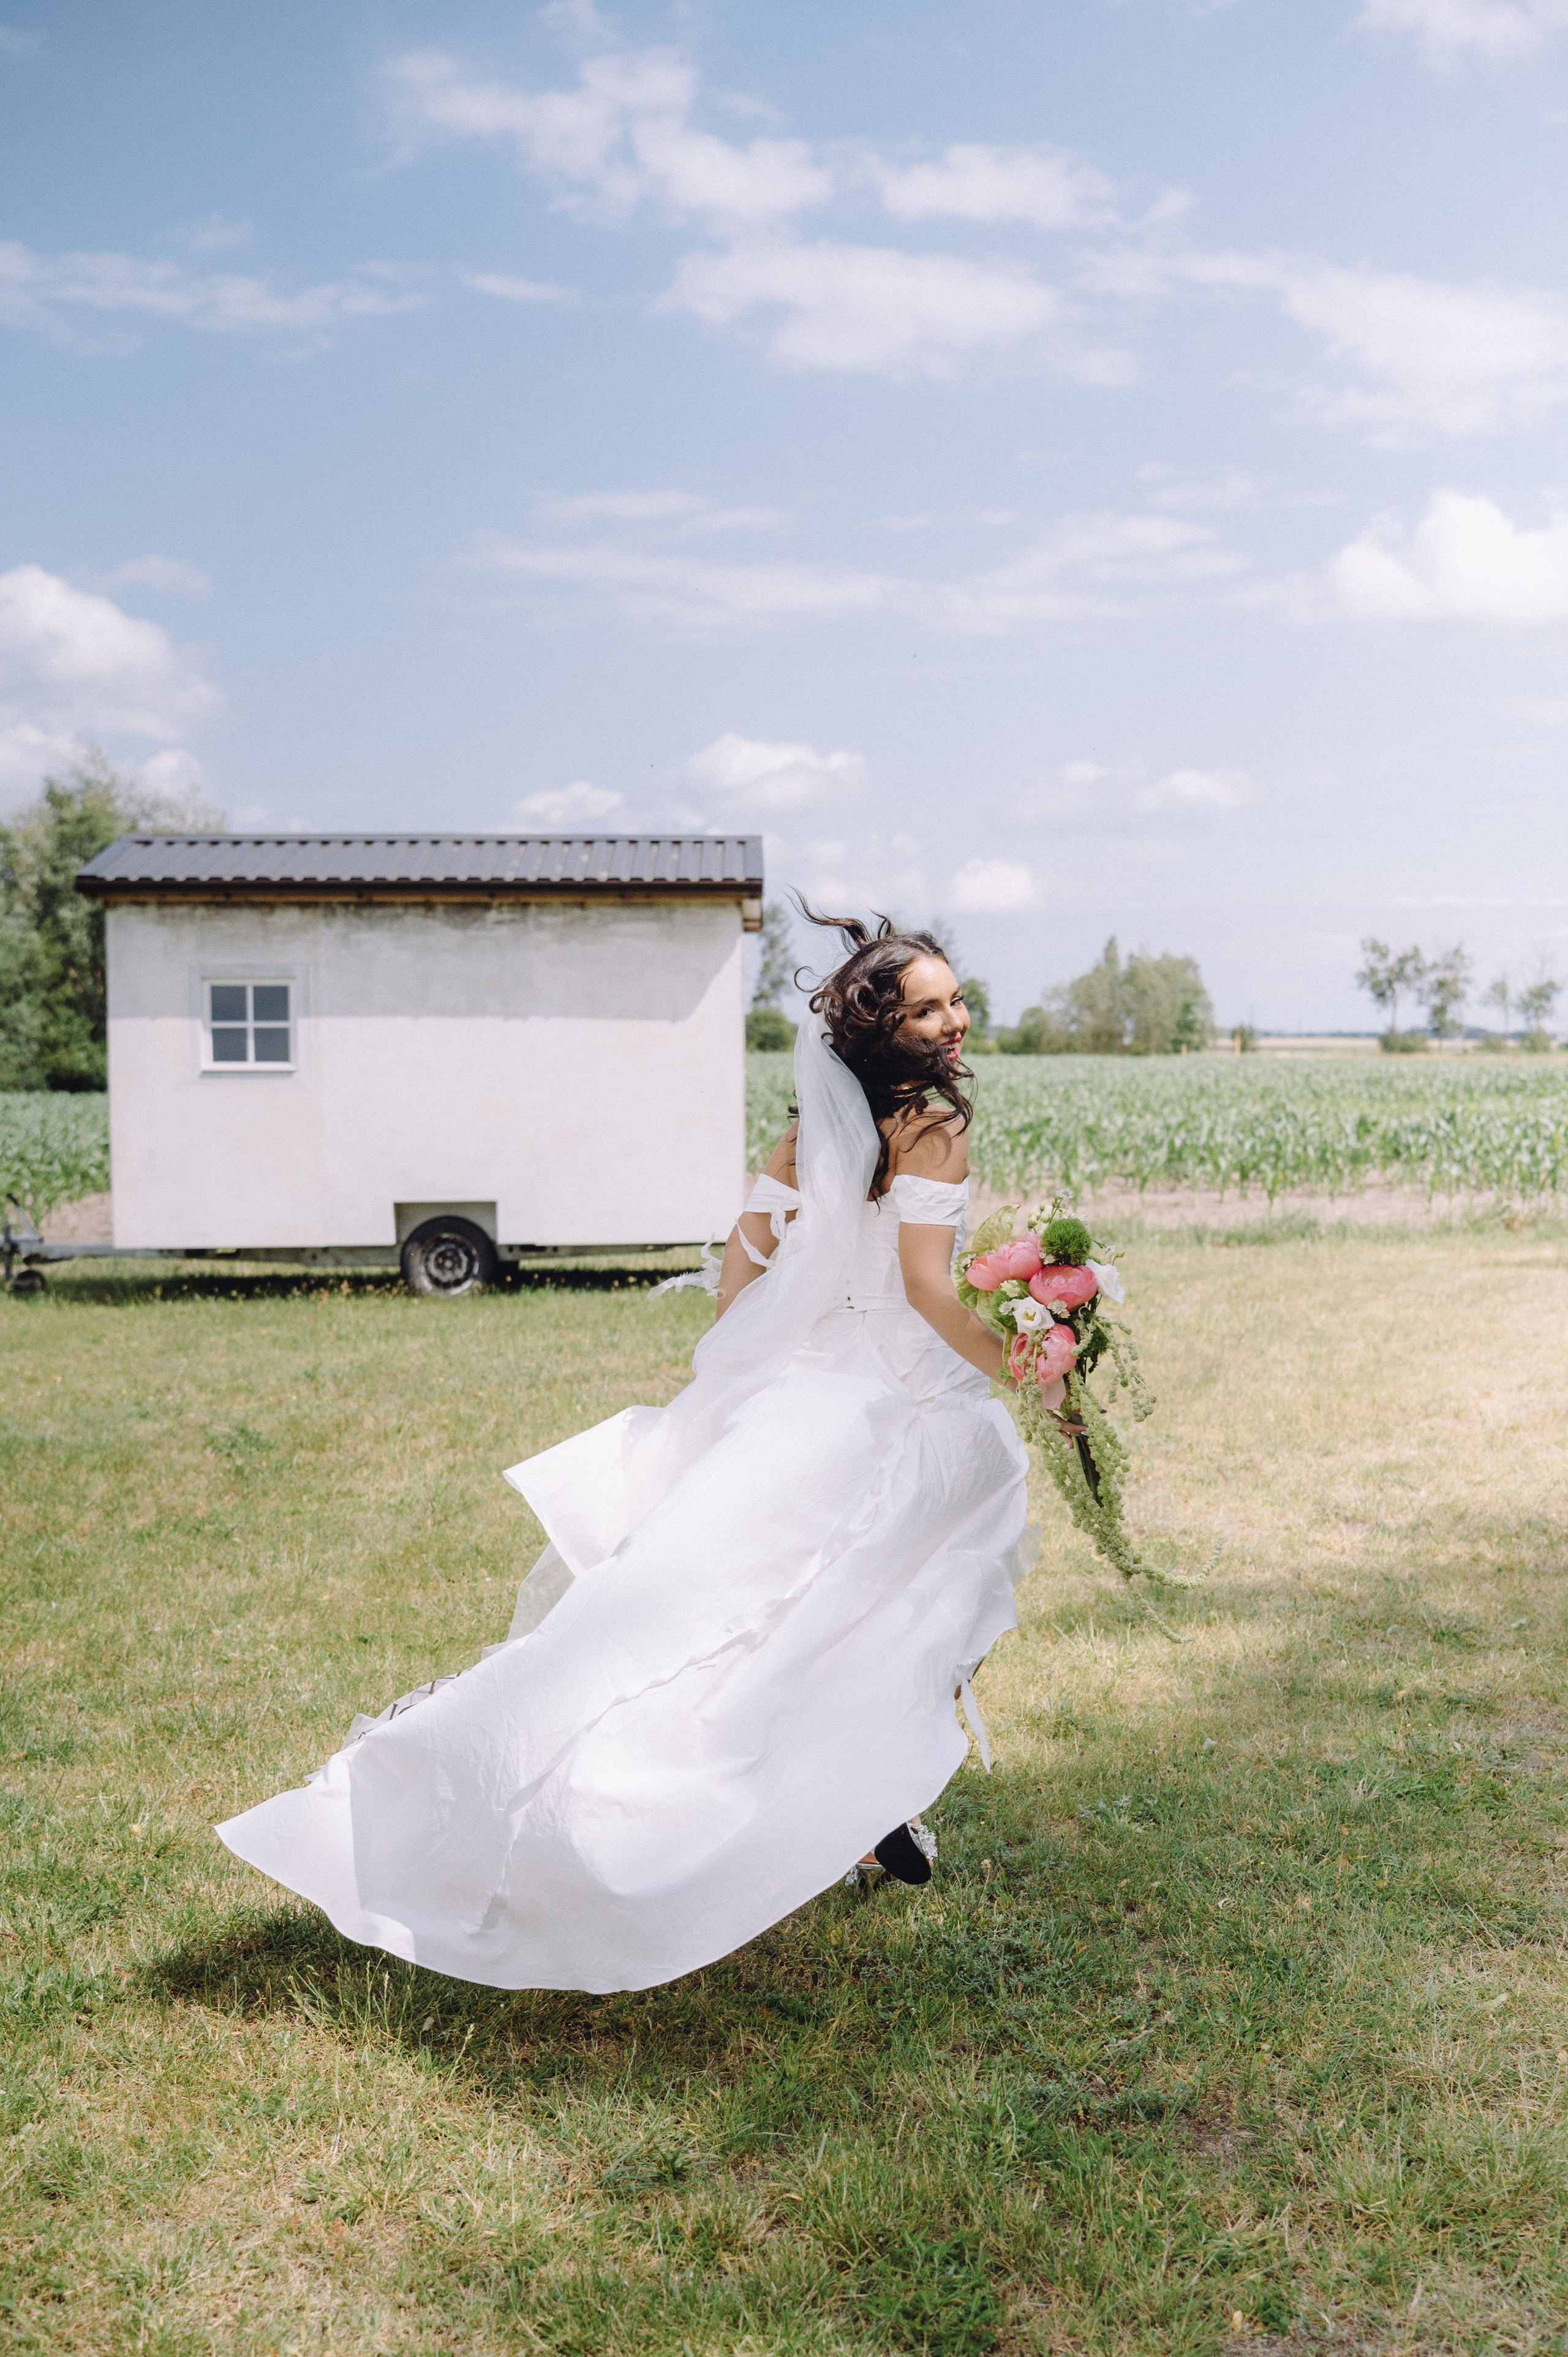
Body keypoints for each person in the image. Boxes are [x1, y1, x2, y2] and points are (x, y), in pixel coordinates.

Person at [216, 911, 1052, 1994]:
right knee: (893, 1605)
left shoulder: (805, 1137)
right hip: (909, 1410)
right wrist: (1025, 1369)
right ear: (881, 1028)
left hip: (803, 1399)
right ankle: (850, 1801)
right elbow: (933, 1291)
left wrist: (757, 1368)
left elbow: (740, 1278)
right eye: (928, 1006)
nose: (954, 1019)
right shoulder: (934, 1132)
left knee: (696, 1613)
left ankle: (862, 1805)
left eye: (953, 998)